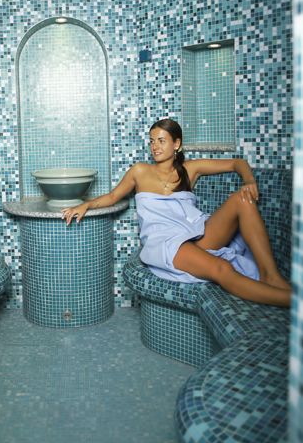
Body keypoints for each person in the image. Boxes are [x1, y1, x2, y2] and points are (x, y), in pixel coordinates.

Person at [62, 118, 291, 307]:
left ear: (177, 144)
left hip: (197, 234)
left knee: (242, 200)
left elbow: (237, 163)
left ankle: (271, 275)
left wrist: (249, 181)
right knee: (222, 268)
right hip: (167, 242)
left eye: (161, 141)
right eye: (152, 141)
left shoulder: (190, 170)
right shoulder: (140, 171)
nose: (155, 146)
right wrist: (86, 205)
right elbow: (113, 197)